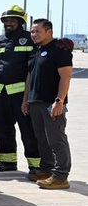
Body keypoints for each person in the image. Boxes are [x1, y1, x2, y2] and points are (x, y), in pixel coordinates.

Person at [0, 6, 40, 173]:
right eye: (6, 21)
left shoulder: (29, 40)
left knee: (28, 130)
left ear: (20, 22)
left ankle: (36, 165)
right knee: (3, 129)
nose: (8, 23)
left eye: (12, 20)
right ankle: (7, 162)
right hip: (1, 94)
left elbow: (34, 68)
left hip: (22, 96)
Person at [23, 19, 73, 189]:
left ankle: (61, 176)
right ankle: (46, 169)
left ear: (49, 31)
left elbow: (65, 77)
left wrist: (59, 100)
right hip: (35, 102)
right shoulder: (35, 51)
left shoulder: (59, 50)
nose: (33, 35)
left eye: (37, 31)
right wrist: (25, 100)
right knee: (41, 139)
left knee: (56, 139)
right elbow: (29, 79)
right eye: (32, 31)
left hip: (52, 103)